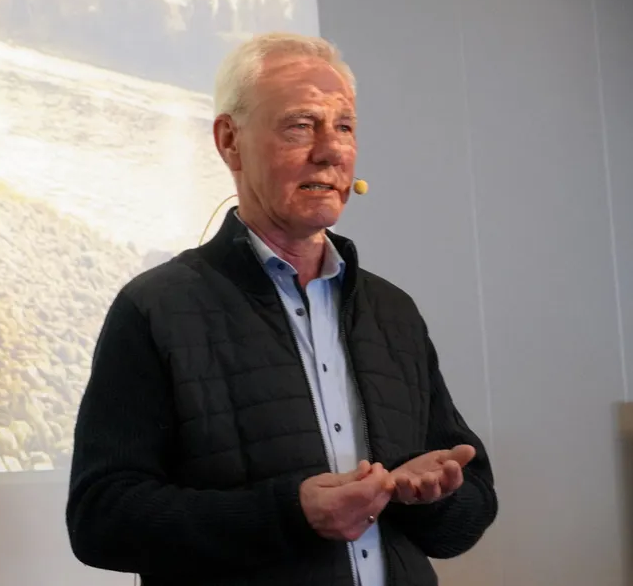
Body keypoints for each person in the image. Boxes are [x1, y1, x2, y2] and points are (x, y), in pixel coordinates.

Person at [66, 33, 498, 586]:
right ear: (230, 141)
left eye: (344, 126)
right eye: (300, 125)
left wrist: (431, 496)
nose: (331, 150)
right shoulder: (155, 309)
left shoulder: (392, 312)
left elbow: (467, 513)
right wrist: (289, 515)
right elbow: (100, 520)